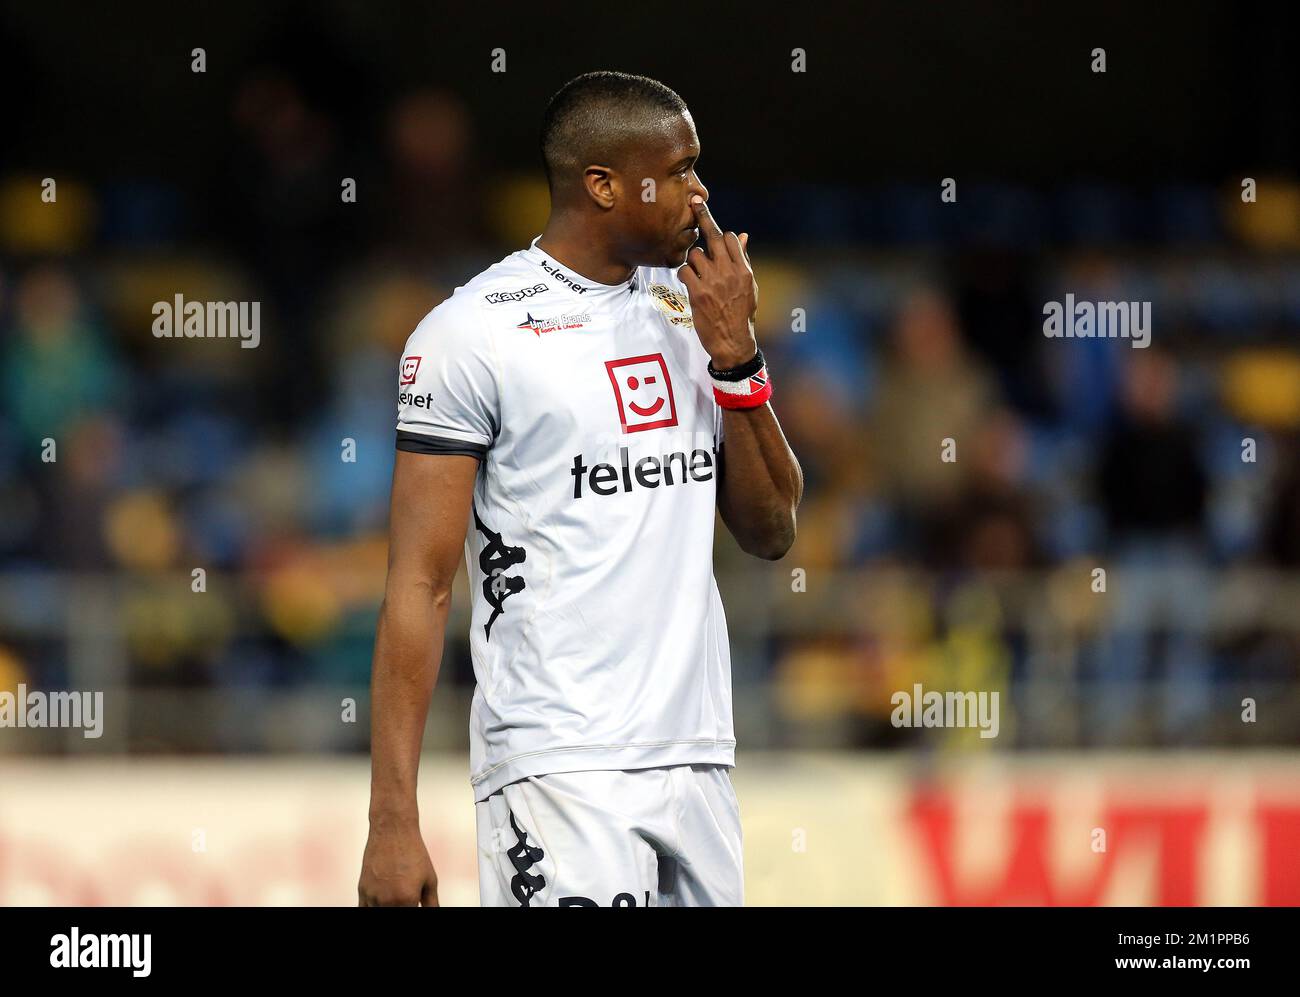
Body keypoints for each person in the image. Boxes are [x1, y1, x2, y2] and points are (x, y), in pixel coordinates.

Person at [357, 71, 803, 907]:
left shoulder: (694, 308)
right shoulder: (472, 334)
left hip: (698, 753)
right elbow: (417, 585)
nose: (699, 192)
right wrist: (391, 818)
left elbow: (772, 527)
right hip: (560, 765)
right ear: (602, 184)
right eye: (677, 170)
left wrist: (737, 356)